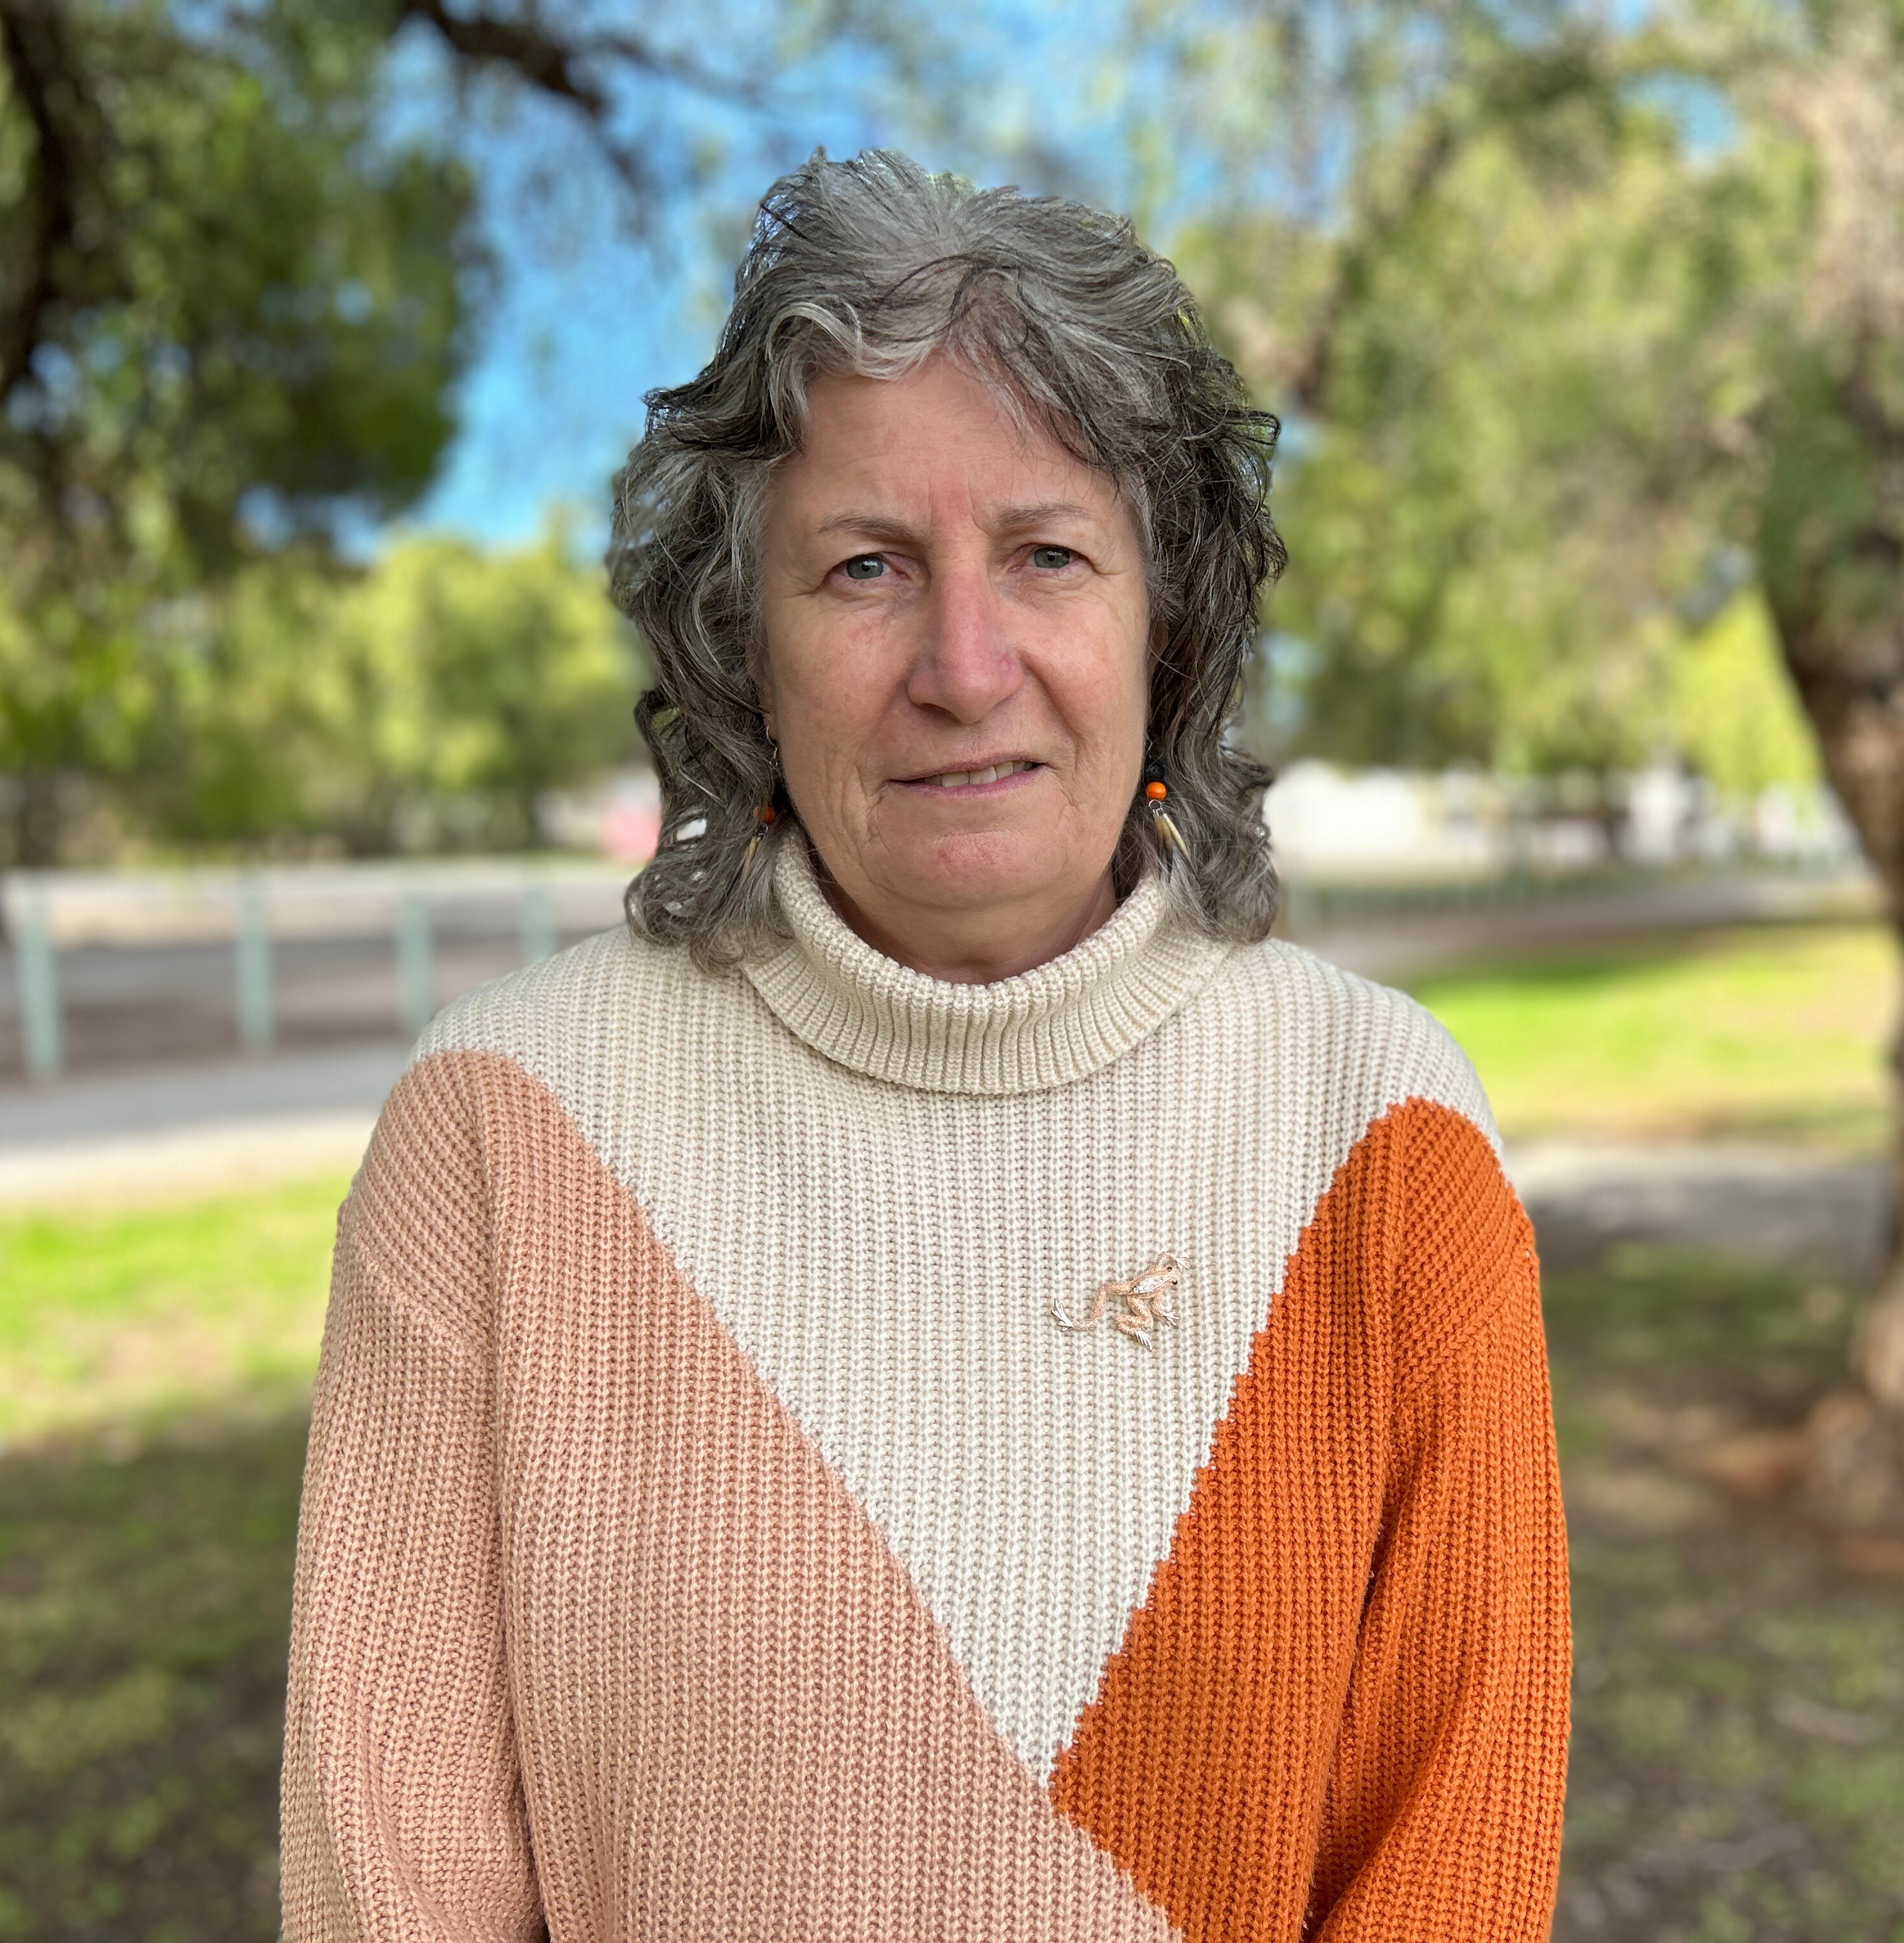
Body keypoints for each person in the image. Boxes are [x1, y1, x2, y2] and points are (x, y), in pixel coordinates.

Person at [278, 149, 1569, 1942]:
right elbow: (391, 1893)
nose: (966, 665)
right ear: (742, 649)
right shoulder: (498, 1142)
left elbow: (1453, 1870)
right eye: (866, 567)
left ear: (1167, 622)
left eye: (1046, 554)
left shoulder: (1388, 1140)